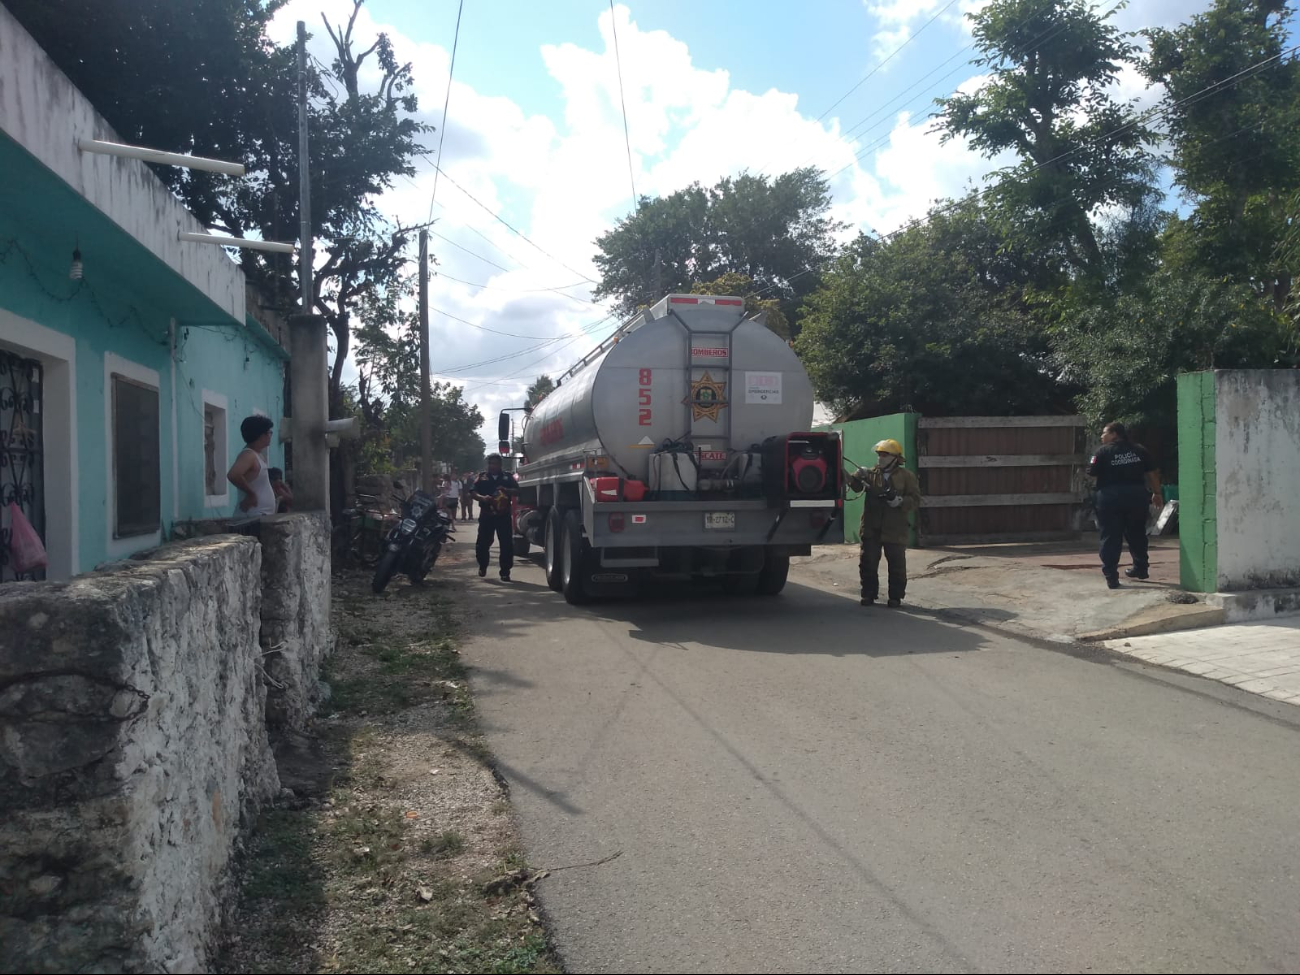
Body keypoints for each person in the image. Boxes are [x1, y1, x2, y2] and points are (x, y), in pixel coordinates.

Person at [846, 439, 922, 608]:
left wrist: (900, 501)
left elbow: (916, 500)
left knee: (897, 566)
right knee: (868, 563)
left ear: (895, 457)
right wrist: (852, 476)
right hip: (872, 527)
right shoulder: (870, 473)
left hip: (895, 529)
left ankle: (895, 598)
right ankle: (868, 595)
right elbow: (856, 486)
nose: (880, 458)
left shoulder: (906, 476)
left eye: (885, 455)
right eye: (879, 454)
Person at [1087, 421, 1162, 589]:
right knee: (1137, 532)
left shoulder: (1101, 452)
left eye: (1104, 433)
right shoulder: (1140, 450)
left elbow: (1092, 474)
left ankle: (1111, 577)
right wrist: (1157, 493)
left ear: (1115, 434)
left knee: (1110, 536)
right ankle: (1141, 568)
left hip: (1109, 498)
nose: (1101, 436)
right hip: (1136, 497)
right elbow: (1152, 473)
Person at [471, 453, 518, 581]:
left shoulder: (507, 478)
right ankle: (483, 566)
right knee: (482, 544)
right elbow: (473, 491)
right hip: (487, 515)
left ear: (500, 465)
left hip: (503, 516)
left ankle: (505, 571)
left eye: (495, 463)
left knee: (506, 544)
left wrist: (507, 491)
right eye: (490, 463)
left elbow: (517, 490)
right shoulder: (482, 477)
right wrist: (482, 498)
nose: (493, 466)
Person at [227, 416, 277, 517]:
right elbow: (233, 475)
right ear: (261, 435)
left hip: (259, 515)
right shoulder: (248, 455)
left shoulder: (258, 455)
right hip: (251, 516)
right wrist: (251, 494)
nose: (270, 435)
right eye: (269, 432)